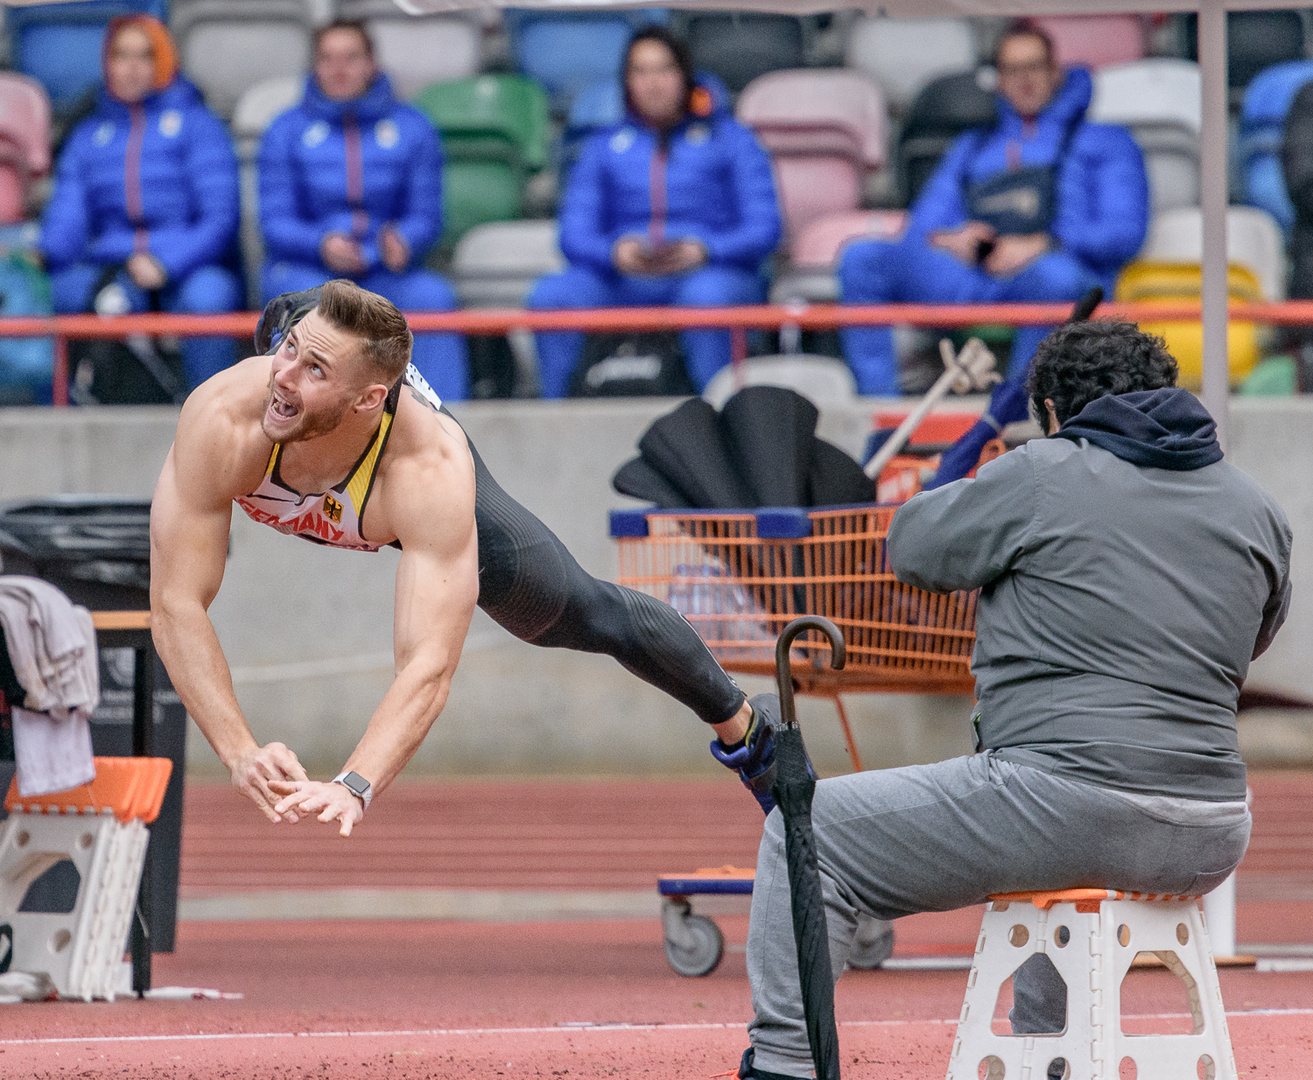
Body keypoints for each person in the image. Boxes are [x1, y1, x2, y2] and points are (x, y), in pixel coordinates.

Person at [735, 320, 1291, 1080]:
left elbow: (912, 548)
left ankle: (783, 1065)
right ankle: (1049, 1063)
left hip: (1075, 804)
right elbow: (1247, 643)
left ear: (1056, 412)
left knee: (806, 834)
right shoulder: (1254, 506)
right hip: (1213, 828)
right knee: (1051, 858)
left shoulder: (1044, 469)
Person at [149, 281, 794, 837]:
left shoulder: (429, 469)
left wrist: (354, 783)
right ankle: (311, 334)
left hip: (384, 465)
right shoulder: (225, 419)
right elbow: (176, 601)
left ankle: (748, 728)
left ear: (369, 400)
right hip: (331, 398)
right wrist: (237, 751)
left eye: (311, 369)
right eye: (286, 352)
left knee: (571, 611)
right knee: (302, 348)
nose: (281, 380)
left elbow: (428, 664)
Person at [838, 21, 1148, 395]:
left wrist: (1042, 244)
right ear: (999, 79)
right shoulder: (971, 146)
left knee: (1056, 278)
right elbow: (923, 226)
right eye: (1013, 70)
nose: (1025, 80)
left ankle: (1021, 413)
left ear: (1055, 73)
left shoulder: (1106, 141)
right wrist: (955, 238)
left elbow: (1124, 230)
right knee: (863, 259)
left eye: (1034, 67)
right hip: (973, 276)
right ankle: (882, 414)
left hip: (1051, 273)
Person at [526, 26, 782, 397]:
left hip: (709, 272)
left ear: (686, 75)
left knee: (707, 300)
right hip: (623, 278)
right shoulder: (602, 146)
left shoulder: (733, 139)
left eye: (664, 70)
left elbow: (764, 228)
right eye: (640, 71)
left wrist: (705, 249)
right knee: (552, 296)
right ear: (626, 81)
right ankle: (557, 417)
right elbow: (573, 234)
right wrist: (614, 252)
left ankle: (720, 421)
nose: (652, 83)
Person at [258, 20, 467, 401]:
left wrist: (403, 241)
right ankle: (284, 416)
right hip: (312, 270)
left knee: (433, 297)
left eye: (351, 57)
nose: (339, 69)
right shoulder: (284, 130)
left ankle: (445, 428)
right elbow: (275, 221)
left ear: (372, 64)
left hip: (387, 272)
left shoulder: (413, 126)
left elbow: (427, 214)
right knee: (286, 296)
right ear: (314, 66)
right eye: (328, 58)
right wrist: (321, 244)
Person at [39, 14, 241, 389]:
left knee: (209, 298)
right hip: (114, 262)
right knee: (57, 293)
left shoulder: (199, 125)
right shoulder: (87, 136)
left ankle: (213, 416)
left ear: (163, 61)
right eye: (121, 55)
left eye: (144, 55)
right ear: (107, 63)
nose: (131, 67)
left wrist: (165, 262)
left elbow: (220, 219)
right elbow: (69, 216)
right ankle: (74, 414)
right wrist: (42, 255)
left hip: (188, 262)